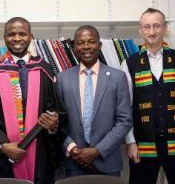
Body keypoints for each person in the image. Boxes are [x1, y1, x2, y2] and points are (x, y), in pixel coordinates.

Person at [121, 8, 175, 184]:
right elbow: (124, 108)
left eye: (156, 26)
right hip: (142, 147)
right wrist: (130, 141)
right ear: (140, 30)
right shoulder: (129, 64)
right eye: (147, 27)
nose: (152, 31)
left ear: (165, 28)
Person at [0, 17, 66, 184]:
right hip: (4, 158)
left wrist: (54, 123)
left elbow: (56, 109)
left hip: (40, 154)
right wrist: (2, 146)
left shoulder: (44, 68)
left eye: (22, 34)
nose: (17, 38)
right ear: (5, 38)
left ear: (30, 37)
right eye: (11, 34)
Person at [57, 25, 132, 177]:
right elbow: (58, 122)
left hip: (108, 162)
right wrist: (72, 148)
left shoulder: (118, 77)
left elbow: (124, 121)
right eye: (80, 42)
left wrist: (97, 151)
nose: (86, 46)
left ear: (99, 45)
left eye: (91, 41)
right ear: (73, 47)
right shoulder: (62, 79)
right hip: (74, 162)